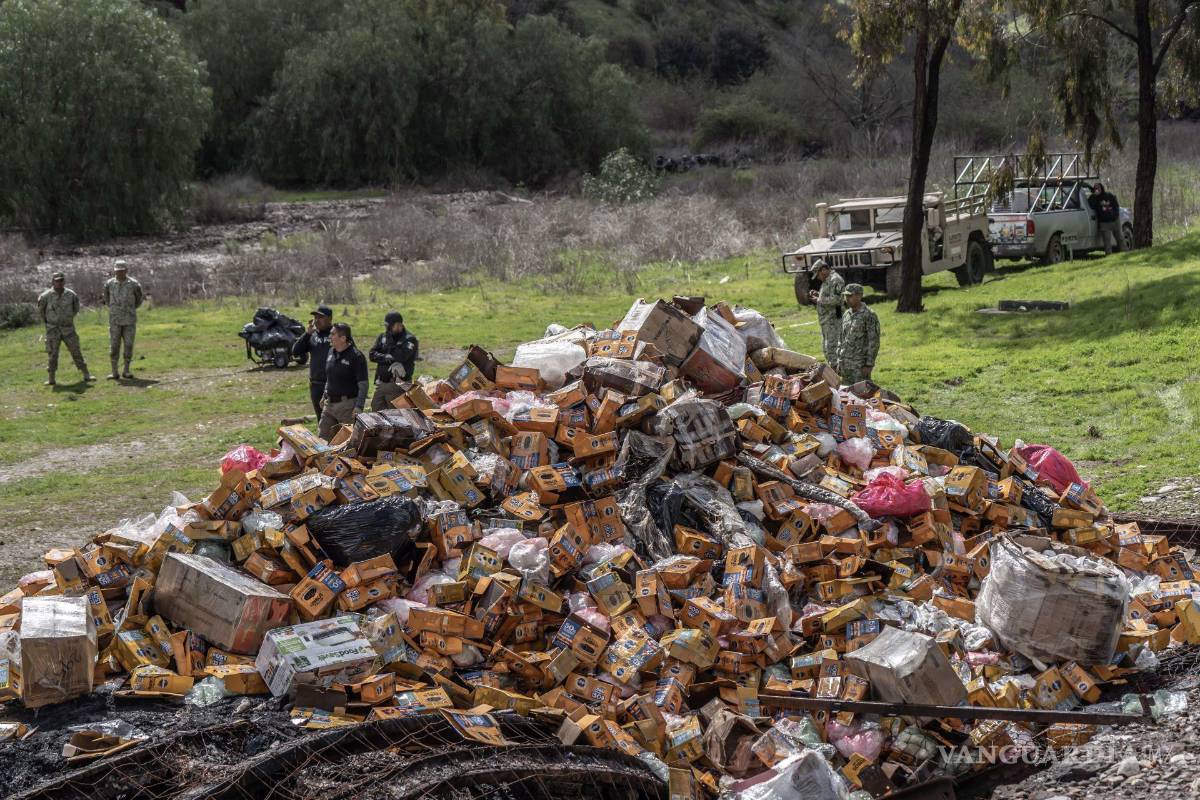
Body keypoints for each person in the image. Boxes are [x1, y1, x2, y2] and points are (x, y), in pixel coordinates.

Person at [37, 272, 94, 385]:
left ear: (64, 281)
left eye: (61, 280)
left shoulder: (71, 295)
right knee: (52, 354)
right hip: (53, 330)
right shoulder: (45, 296)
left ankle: (86, 374)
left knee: (76, 351)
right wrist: (50, 322)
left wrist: (67, 319)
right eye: (57, 280)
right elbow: (41, 312)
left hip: (68, 329)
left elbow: (75, 309)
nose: (59, 283)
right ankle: (51, 378)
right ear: (53, 282)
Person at [318, 322, 368, 441]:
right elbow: (330, 378)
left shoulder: (356, 356)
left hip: (347, 407)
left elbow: (363, 384)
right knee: (322, 437)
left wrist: (359, 406)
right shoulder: (331, 352)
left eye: (333, 334)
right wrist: (324, 395)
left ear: (343, 338)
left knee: (348, 440)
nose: (330, 337)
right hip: (328, 405)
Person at [368, 311, 419, 411]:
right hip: (382, 383)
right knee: (376, 409)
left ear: (399, 325)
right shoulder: (383, 337)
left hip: (398, 384)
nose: (387, 329)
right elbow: (372, 355)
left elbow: (401, 356)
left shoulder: (409, 339)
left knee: (395, 414)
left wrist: (390, 343)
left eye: (390, 326)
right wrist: (386, 357)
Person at [102, 260, 143, 379]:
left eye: (121, 271)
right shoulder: (109, 284)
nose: (119, 273)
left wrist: (130, 309)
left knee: (129, 345)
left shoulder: (134, 284)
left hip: (129, 320)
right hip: (115, 320)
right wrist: (115, 309)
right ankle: (114, 372)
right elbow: (106, 298)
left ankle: (126, 370)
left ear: (126, 271)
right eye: (117, 271)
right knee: (114, 346)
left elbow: (139, 299)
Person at [292, 305, 334, 419]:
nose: (317, 320)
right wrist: (307, 334)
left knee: (335, 420)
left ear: (329, 319)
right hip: (315, 385)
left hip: (333, 384)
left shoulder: (336, 334)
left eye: (320, 317)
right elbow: (295, 351)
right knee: (321, 420)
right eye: (315, 317)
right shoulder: (312, 335)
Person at [835, 283, 880, 385]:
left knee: (862, 396)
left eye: (850, 295)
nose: (847, 298)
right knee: (846, 395)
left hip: (859, 366)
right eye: (846, 296)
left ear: (859, 296)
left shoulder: (869, 315)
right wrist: (839, 360)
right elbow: (841, 338)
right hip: (845, 364)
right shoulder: (846, 314)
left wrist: (869, 364)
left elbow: (874, 341)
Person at [806, 259, 845, 368]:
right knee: (827, 347)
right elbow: (829, 296)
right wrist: (818, 294)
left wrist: (818, 300)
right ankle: (834, 372)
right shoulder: (828, 280)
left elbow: (838, 299)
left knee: (832, 347)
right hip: (827, 320)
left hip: (833, 319)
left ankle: (837, 372)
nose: (818, 278)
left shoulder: (836, 280)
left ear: (823, 270)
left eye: (818, 275)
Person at [1088, 182, 1123, 254]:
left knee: (1120, 238)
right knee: (1107, 241)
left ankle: (1125, 252)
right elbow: (1091, 205)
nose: (1097, 189)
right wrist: (1094, 195)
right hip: (1104, 223)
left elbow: (1116, 205)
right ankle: (1109, 255)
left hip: (1115, 221)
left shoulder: (1109, 195)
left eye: (1098, 188)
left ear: (1102, 188)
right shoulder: (1094, 198)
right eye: (1095, 188)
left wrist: (1115, 215)